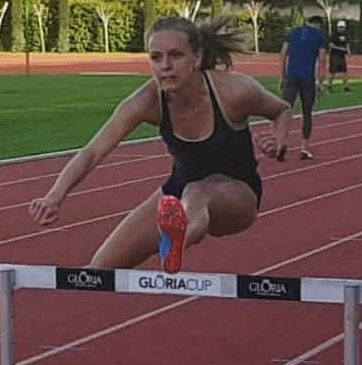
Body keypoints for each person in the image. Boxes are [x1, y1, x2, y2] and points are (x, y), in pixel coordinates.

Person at [29, 16, 293, 275]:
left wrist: (278, 141)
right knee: (97, 273)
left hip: (237, 195)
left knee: (197, 193)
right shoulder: (145, 101)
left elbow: (281, 110)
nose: (165, 66)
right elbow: (93, 151)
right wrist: (54, 196)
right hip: (176, 195)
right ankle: (174, 230)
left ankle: (175, 242)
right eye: (156, 58)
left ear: (197, 58)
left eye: (175, 56)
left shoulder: (233, 91)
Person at [279, 14, 328, 160]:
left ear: (308, 22)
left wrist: (282, 76)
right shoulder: (320, 36)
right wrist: (321, 83)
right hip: (307, 78)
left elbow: (282, 54)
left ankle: (282, 144)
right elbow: (322, 60)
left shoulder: (293, 32)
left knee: (286, 111)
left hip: (291, 77)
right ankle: (303, 148)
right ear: (319, 24)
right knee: (307, 113)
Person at [326, 20, 351, 92]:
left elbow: (347, 43)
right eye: (340, 27)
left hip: (342, 56)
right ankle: (329, 87)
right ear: (337, 27)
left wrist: (349, 51)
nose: (341, 28)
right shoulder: (334, 35)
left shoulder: (345, 35)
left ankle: (346, 87)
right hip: (334, 56)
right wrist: (340, 48)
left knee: (344, 72)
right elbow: (330, 45)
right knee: (332, 72)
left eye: (343, 27)